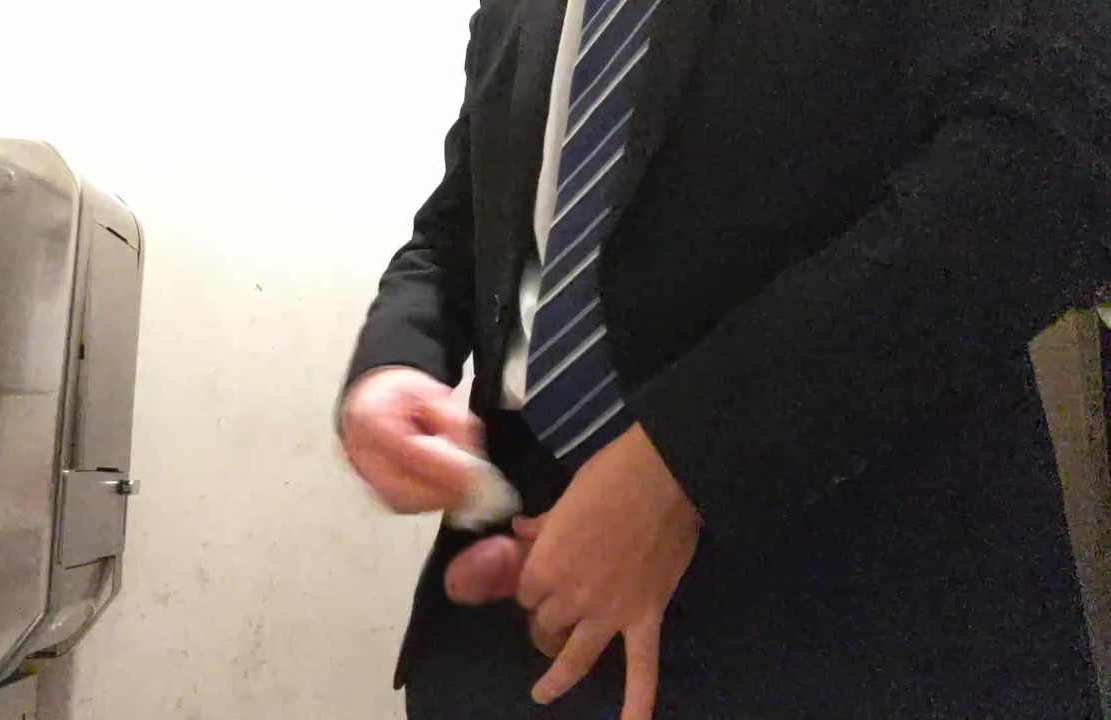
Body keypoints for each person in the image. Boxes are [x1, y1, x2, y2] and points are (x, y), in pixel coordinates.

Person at [338, 0, 1110, 717]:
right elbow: (467, 216)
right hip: (511, 622)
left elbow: (1049, 167)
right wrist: (395, 359)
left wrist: (688, 460)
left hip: (851, 607)